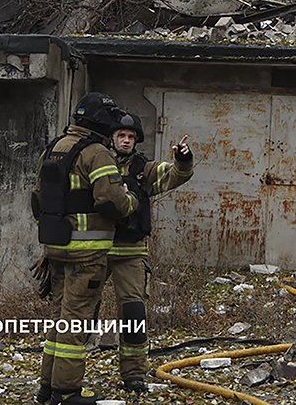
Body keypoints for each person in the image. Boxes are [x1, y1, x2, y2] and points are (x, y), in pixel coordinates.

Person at [32, 92, 138, 405]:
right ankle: (67, 393)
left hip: (57, 247)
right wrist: (130, 200)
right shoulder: (95, 153)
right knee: (76, 323)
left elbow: (38, 197)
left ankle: (47, 388)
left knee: (59, 319)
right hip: (86, 253)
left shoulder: (54, 148)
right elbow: (111, 199)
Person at [104, 112, 195, 392]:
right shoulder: (97, 162)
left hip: (130, 250)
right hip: (94, 248)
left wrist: (183, 158)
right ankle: (70, 375)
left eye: (131, 137)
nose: (127, 140)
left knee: (133, 311)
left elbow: (175, 175)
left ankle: (133, 374)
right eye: (122, 136)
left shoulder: (144, 169)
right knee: (82, 311)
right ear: (113, 138)